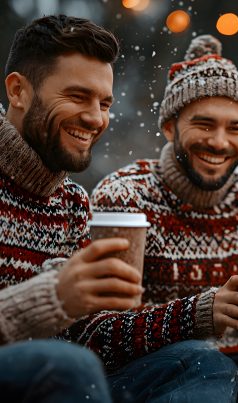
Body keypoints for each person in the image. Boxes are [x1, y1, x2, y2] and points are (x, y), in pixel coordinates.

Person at [63, 36, 238, 402]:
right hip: (148, 375)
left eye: (235, 128)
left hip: (236, 369)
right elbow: (92, 336)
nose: (219, 142)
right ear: (170, 127)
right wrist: (195, 316)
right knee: (205, 363)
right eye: (204, 124)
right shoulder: (125, 196)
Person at [0, 15, 146, 402]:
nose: (96, 118)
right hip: (44, 375)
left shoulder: (72, 202)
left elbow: (88, 334)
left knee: (195, 361)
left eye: (105, 103)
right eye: (78, 97)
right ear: (18, 91)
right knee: (68, 366)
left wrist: (203, 311)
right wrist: (54, 298)